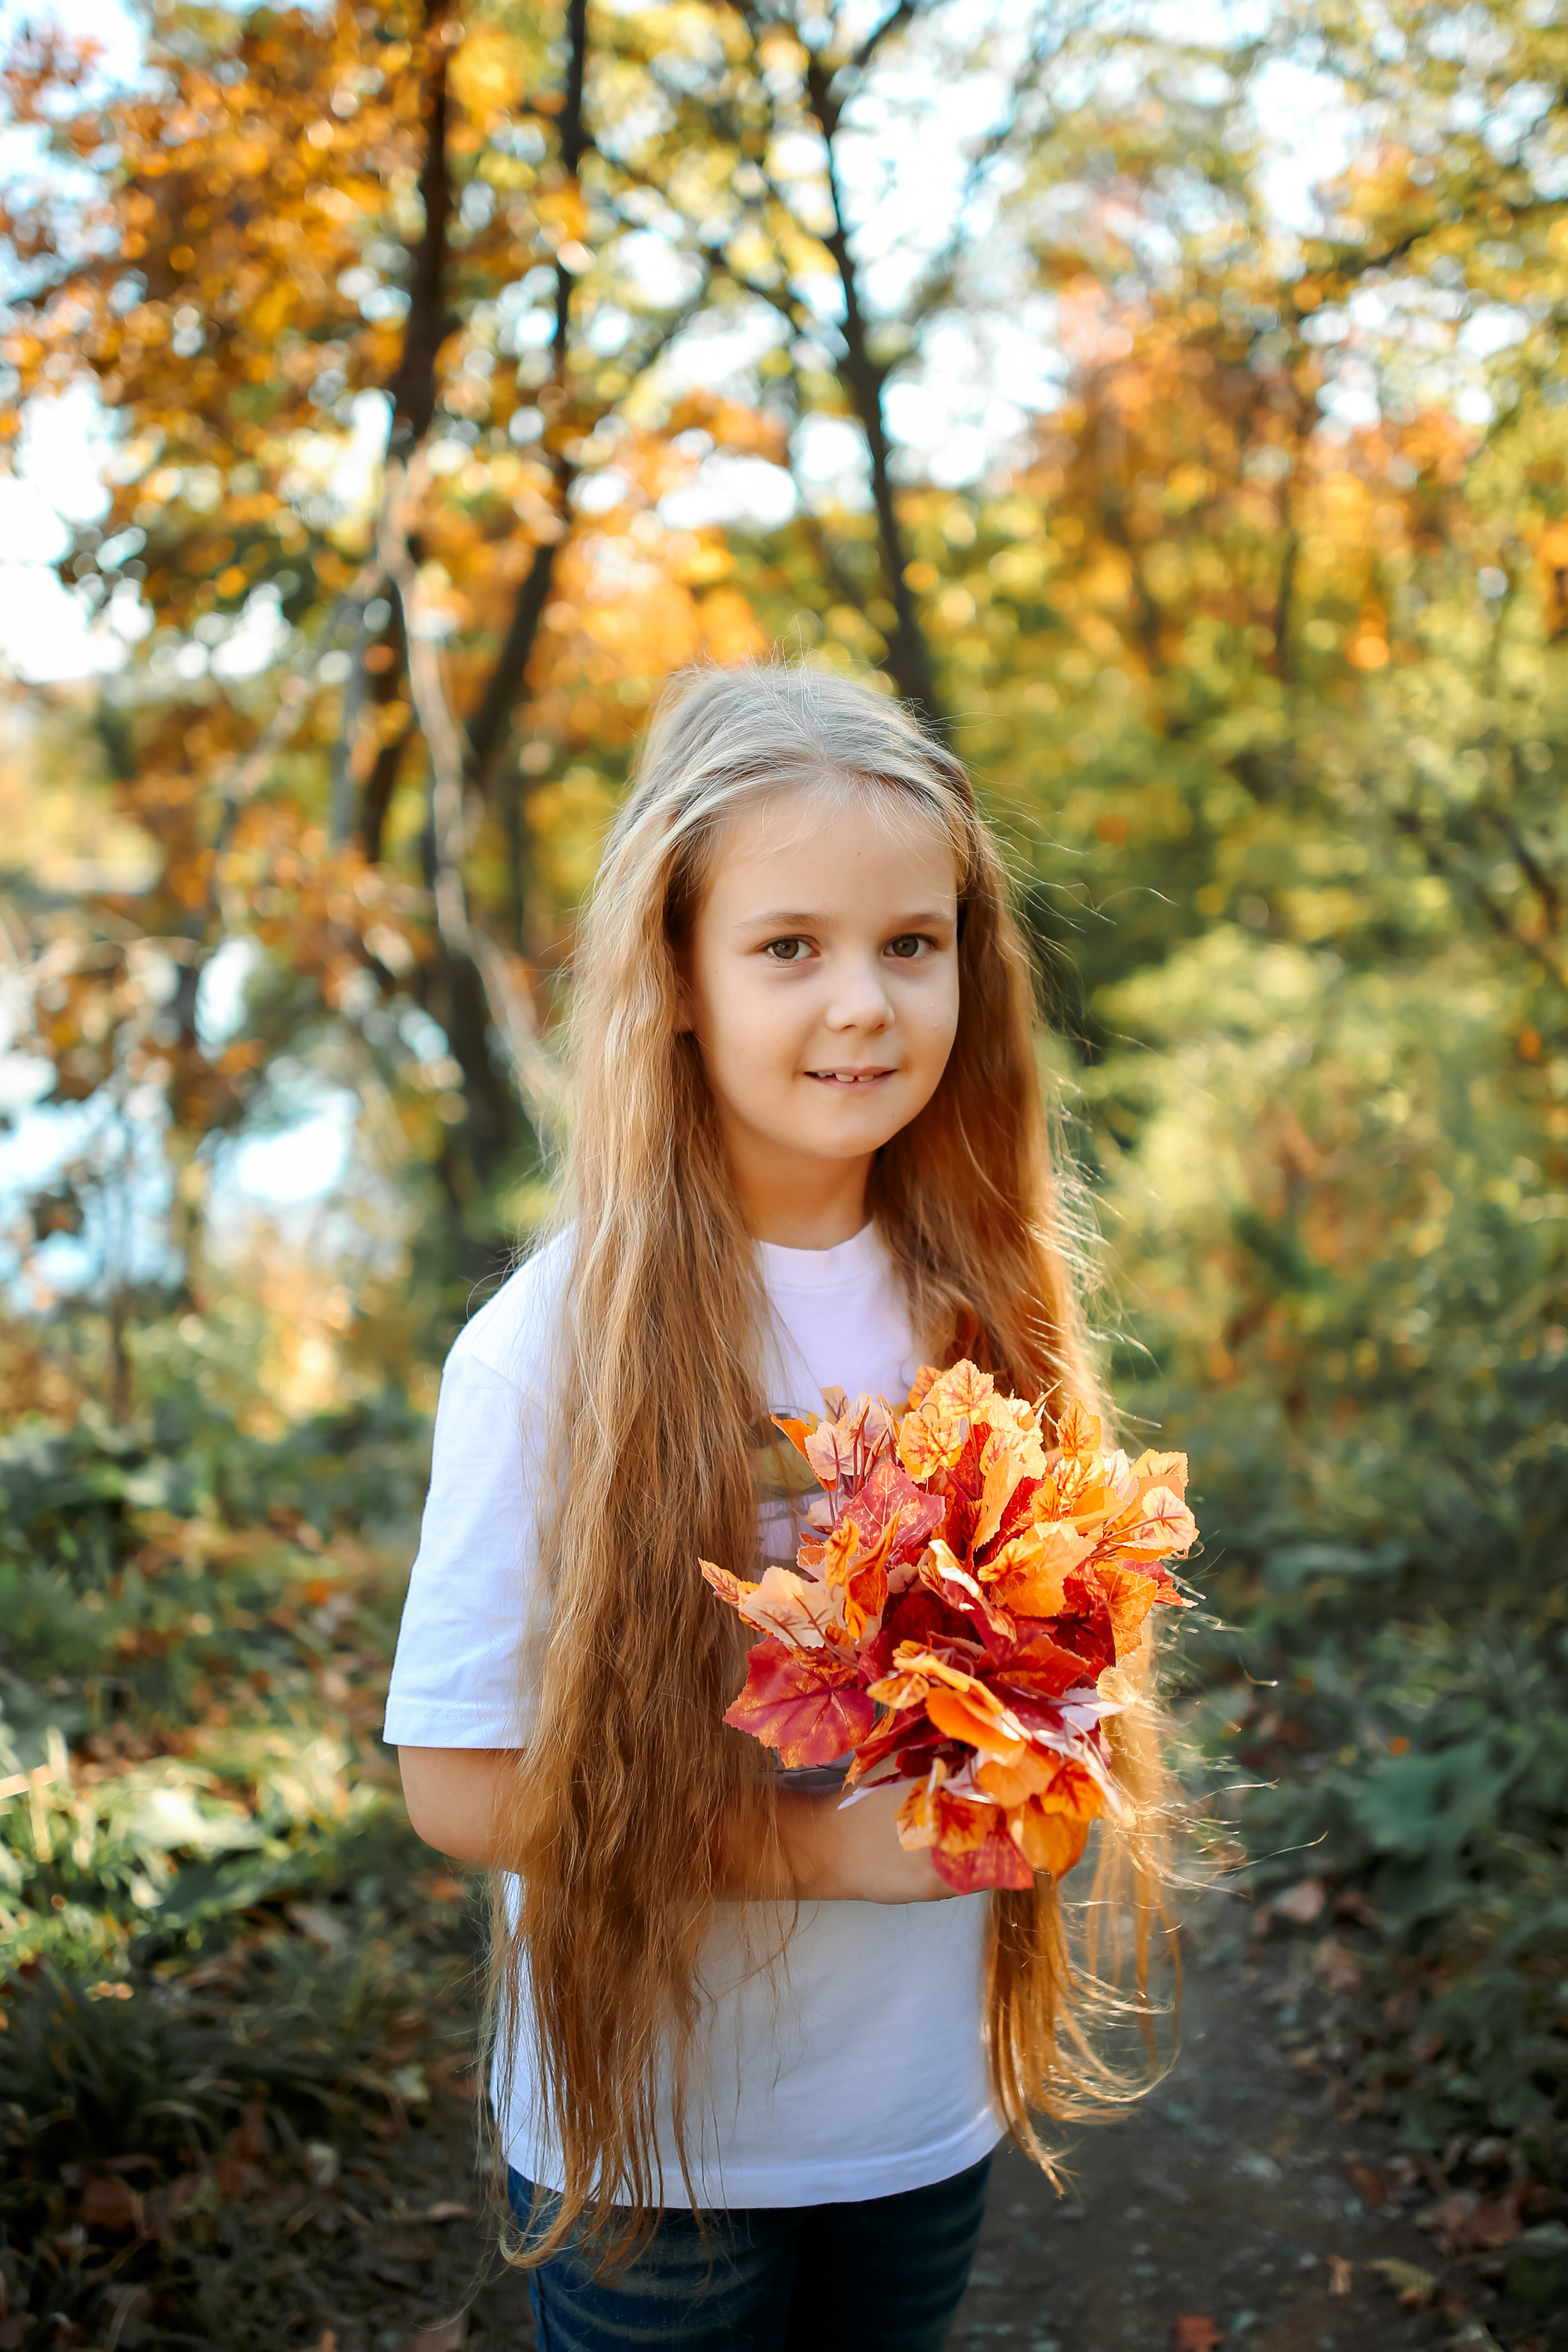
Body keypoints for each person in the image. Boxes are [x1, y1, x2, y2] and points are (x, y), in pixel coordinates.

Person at [386, 661, 1172, 2351]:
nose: (865, 1005)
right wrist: (827, 1855)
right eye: (790, 947)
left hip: (920, 2113)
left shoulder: (986, 1305)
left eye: (911, 943)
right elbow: (455, 1787)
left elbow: (1054, 1669)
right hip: (661, 2145)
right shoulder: (548, 1350)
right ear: (675, 975)